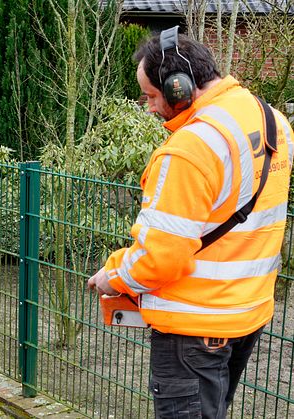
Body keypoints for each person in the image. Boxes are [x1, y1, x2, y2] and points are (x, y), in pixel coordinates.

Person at [87, 26, 294, 418]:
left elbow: (161, 258)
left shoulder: (190, 149)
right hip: (248, 313)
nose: (148, 106)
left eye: (150, 95)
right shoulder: (273, 122)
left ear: (179, 87)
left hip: (193, 327)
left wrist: (112, 276)